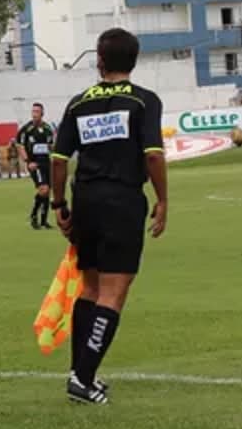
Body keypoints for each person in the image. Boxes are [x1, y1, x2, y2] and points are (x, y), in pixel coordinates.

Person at [50, 28, 168, 405]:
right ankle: (83, 380)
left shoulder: (78, 102)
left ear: (99, 60)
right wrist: (163, 199)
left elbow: (57, 159)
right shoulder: (144, 101)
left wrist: (58, 205)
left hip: (84, 199)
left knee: (90, 287)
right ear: (134, 60)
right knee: (114, 292)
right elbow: (152, 154)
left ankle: (80, 373)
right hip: (122, 201)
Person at [17, 102, 58, 229]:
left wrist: (55, 153)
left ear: (42, 114)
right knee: (43, 189)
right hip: (35, 164)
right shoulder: (26, 129)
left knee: (47, 191)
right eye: (33, 111)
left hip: (46, 162)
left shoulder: (47, 128)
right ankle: (34, 215)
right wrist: (28, 162)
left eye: (37, 112)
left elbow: (51, 146)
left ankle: (43, 221)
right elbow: (20, 146)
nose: (34, 114)